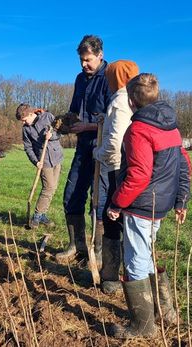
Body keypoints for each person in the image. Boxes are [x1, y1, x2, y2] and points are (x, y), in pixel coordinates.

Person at [106, 73, 191, 338]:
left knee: (135, 262)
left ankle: (143, 327)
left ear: (131, 100)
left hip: (141, 205)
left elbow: (139, 175)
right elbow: (184, 165)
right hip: (161, 204)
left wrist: (117, 203)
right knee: (146, 255)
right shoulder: (171, 127)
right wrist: (181, 200)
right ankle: (165, 311)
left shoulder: (138, 130)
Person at [56, 35, 112, 264]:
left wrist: (89, 125)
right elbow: (74, 110)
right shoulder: (80, 79)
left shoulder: (110, 78)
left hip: (103, 146)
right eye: (81, 60)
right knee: (72, 195)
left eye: (88, 60)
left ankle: (97, 254)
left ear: (100, 56)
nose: (84, 64)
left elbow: (114, 118)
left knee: (98, 200)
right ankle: (76, 245)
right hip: (83, 146)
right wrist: (66, 123)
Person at [93, 60, 139, 294]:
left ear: (117, 79)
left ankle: (111, 275)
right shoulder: (129, 100)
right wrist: (104, 119)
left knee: (111, 216)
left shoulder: (120, 102)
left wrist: (97, 153)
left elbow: (114, 142)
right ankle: (117, 272)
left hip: (114, 167)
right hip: (122, 166)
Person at [16, 103, 63, 228]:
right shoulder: (26, 129)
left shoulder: (47, 117)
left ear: (31, 114)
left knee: (53, 189)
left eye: (24, 120)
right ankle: (37, 216)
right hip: (43, 161)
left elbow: (61, 131)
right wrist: (35, 161)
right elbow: (28, 147)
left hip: (56, 157)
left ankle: (42, 215)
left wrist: (52, 136)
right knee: (48, 187)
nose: (23, 123)